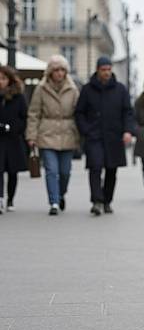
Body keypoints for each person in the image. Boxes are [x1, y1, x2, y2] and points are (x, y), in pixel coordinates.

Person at [75, 57, 134, 216]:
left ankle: (107, 200)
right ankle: (97, 201)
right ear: (98, 70)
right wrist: (85, 130)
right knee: (95, 167)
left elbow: (128, 112)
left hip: (114, 136)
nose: (107, 72)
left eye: (109, 69)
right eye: (103, 69)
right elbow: (79, 112)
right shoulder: (87, 90)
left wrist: (127, 131)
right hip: (94, 136)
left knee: (111, 170)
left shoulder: (120, 89)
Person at [26, 55, 80, 215]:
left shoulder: (73, 88)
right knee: (51, 170)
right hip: (47, 133)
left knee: (65, 172)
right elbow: (34, 113)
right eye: (56, 70)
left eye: (62, 70)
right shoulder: (41, 89)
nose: (59, 73)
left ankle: (61, 194)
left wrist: (80, 134)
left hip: (67, 133)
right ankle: (54, 202)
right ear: (50, 71)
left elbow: (79, 112)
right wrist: (31, 135)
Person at [0, 65, 27, 213]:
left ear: (9, 80)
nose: (0, 82)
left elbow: (23, 118)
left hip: (13, 139)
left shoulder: (18, 97)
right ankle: (0, 198)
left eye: (3, 78)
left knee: (12, 171)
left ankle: (10, 198)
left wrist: (11, 128)